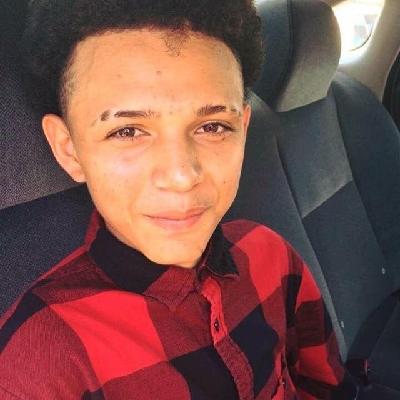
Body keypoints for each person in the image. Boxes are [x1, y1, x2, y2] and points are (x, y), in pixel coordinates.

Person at [0, 1, 358, 399]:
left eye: (213, 126)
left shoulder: (272, 255)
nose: (182, 176)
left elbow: (326, 386)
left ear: (243, 129)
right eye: (127, 131)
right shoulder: (36, 369)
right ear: (68, 150)